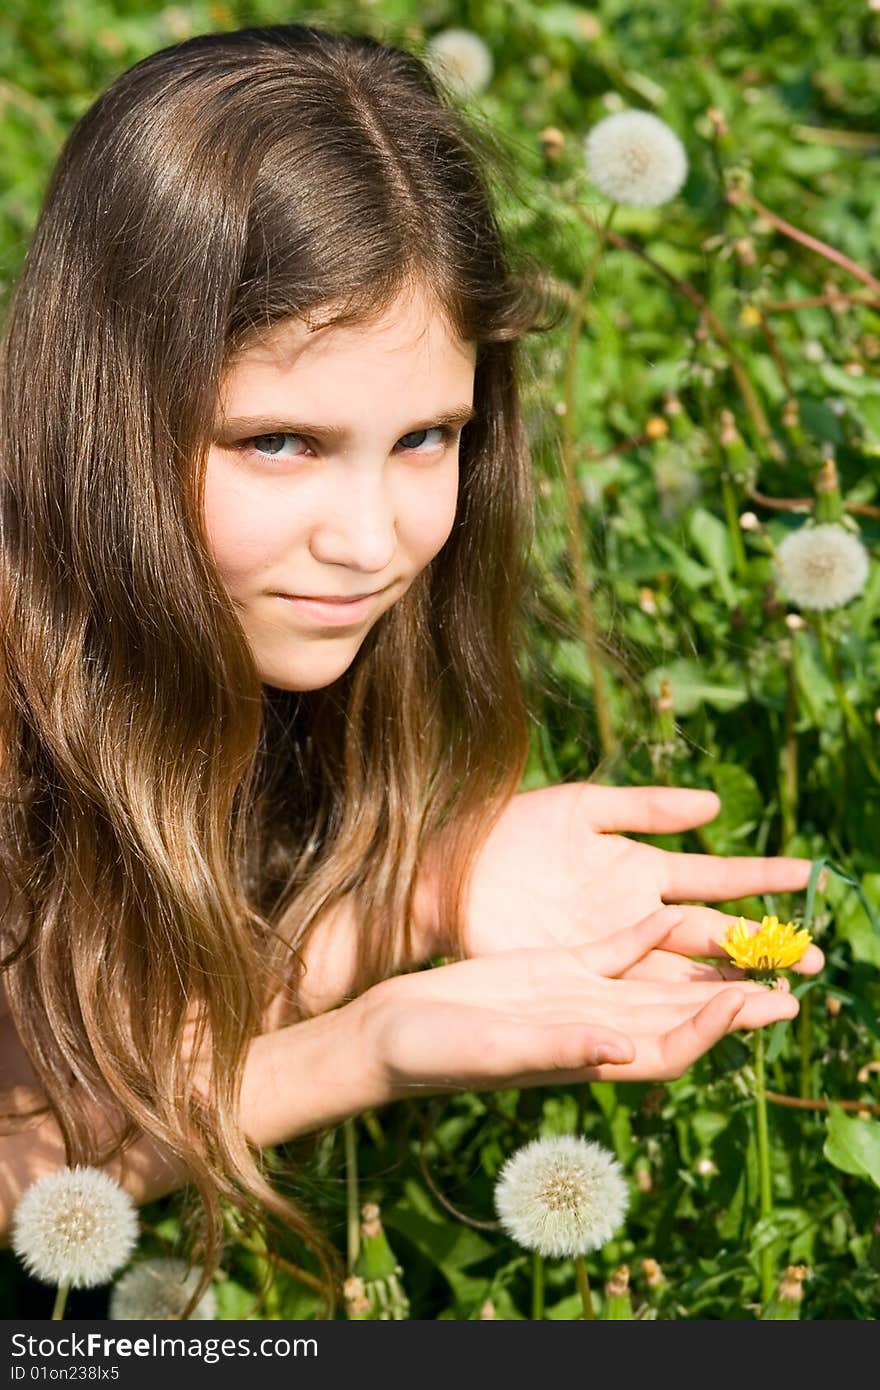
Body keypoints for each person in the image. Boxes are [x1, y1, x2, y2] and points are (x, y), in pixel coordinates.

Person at [0, 23, 821, 1318]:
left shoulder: (305, 676)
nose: (374, 539)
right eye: (279, 440)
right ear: (104, 406)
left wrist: (414, 896)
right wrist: (359, 1046)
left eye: (427, 436)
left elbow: (68, 1083)